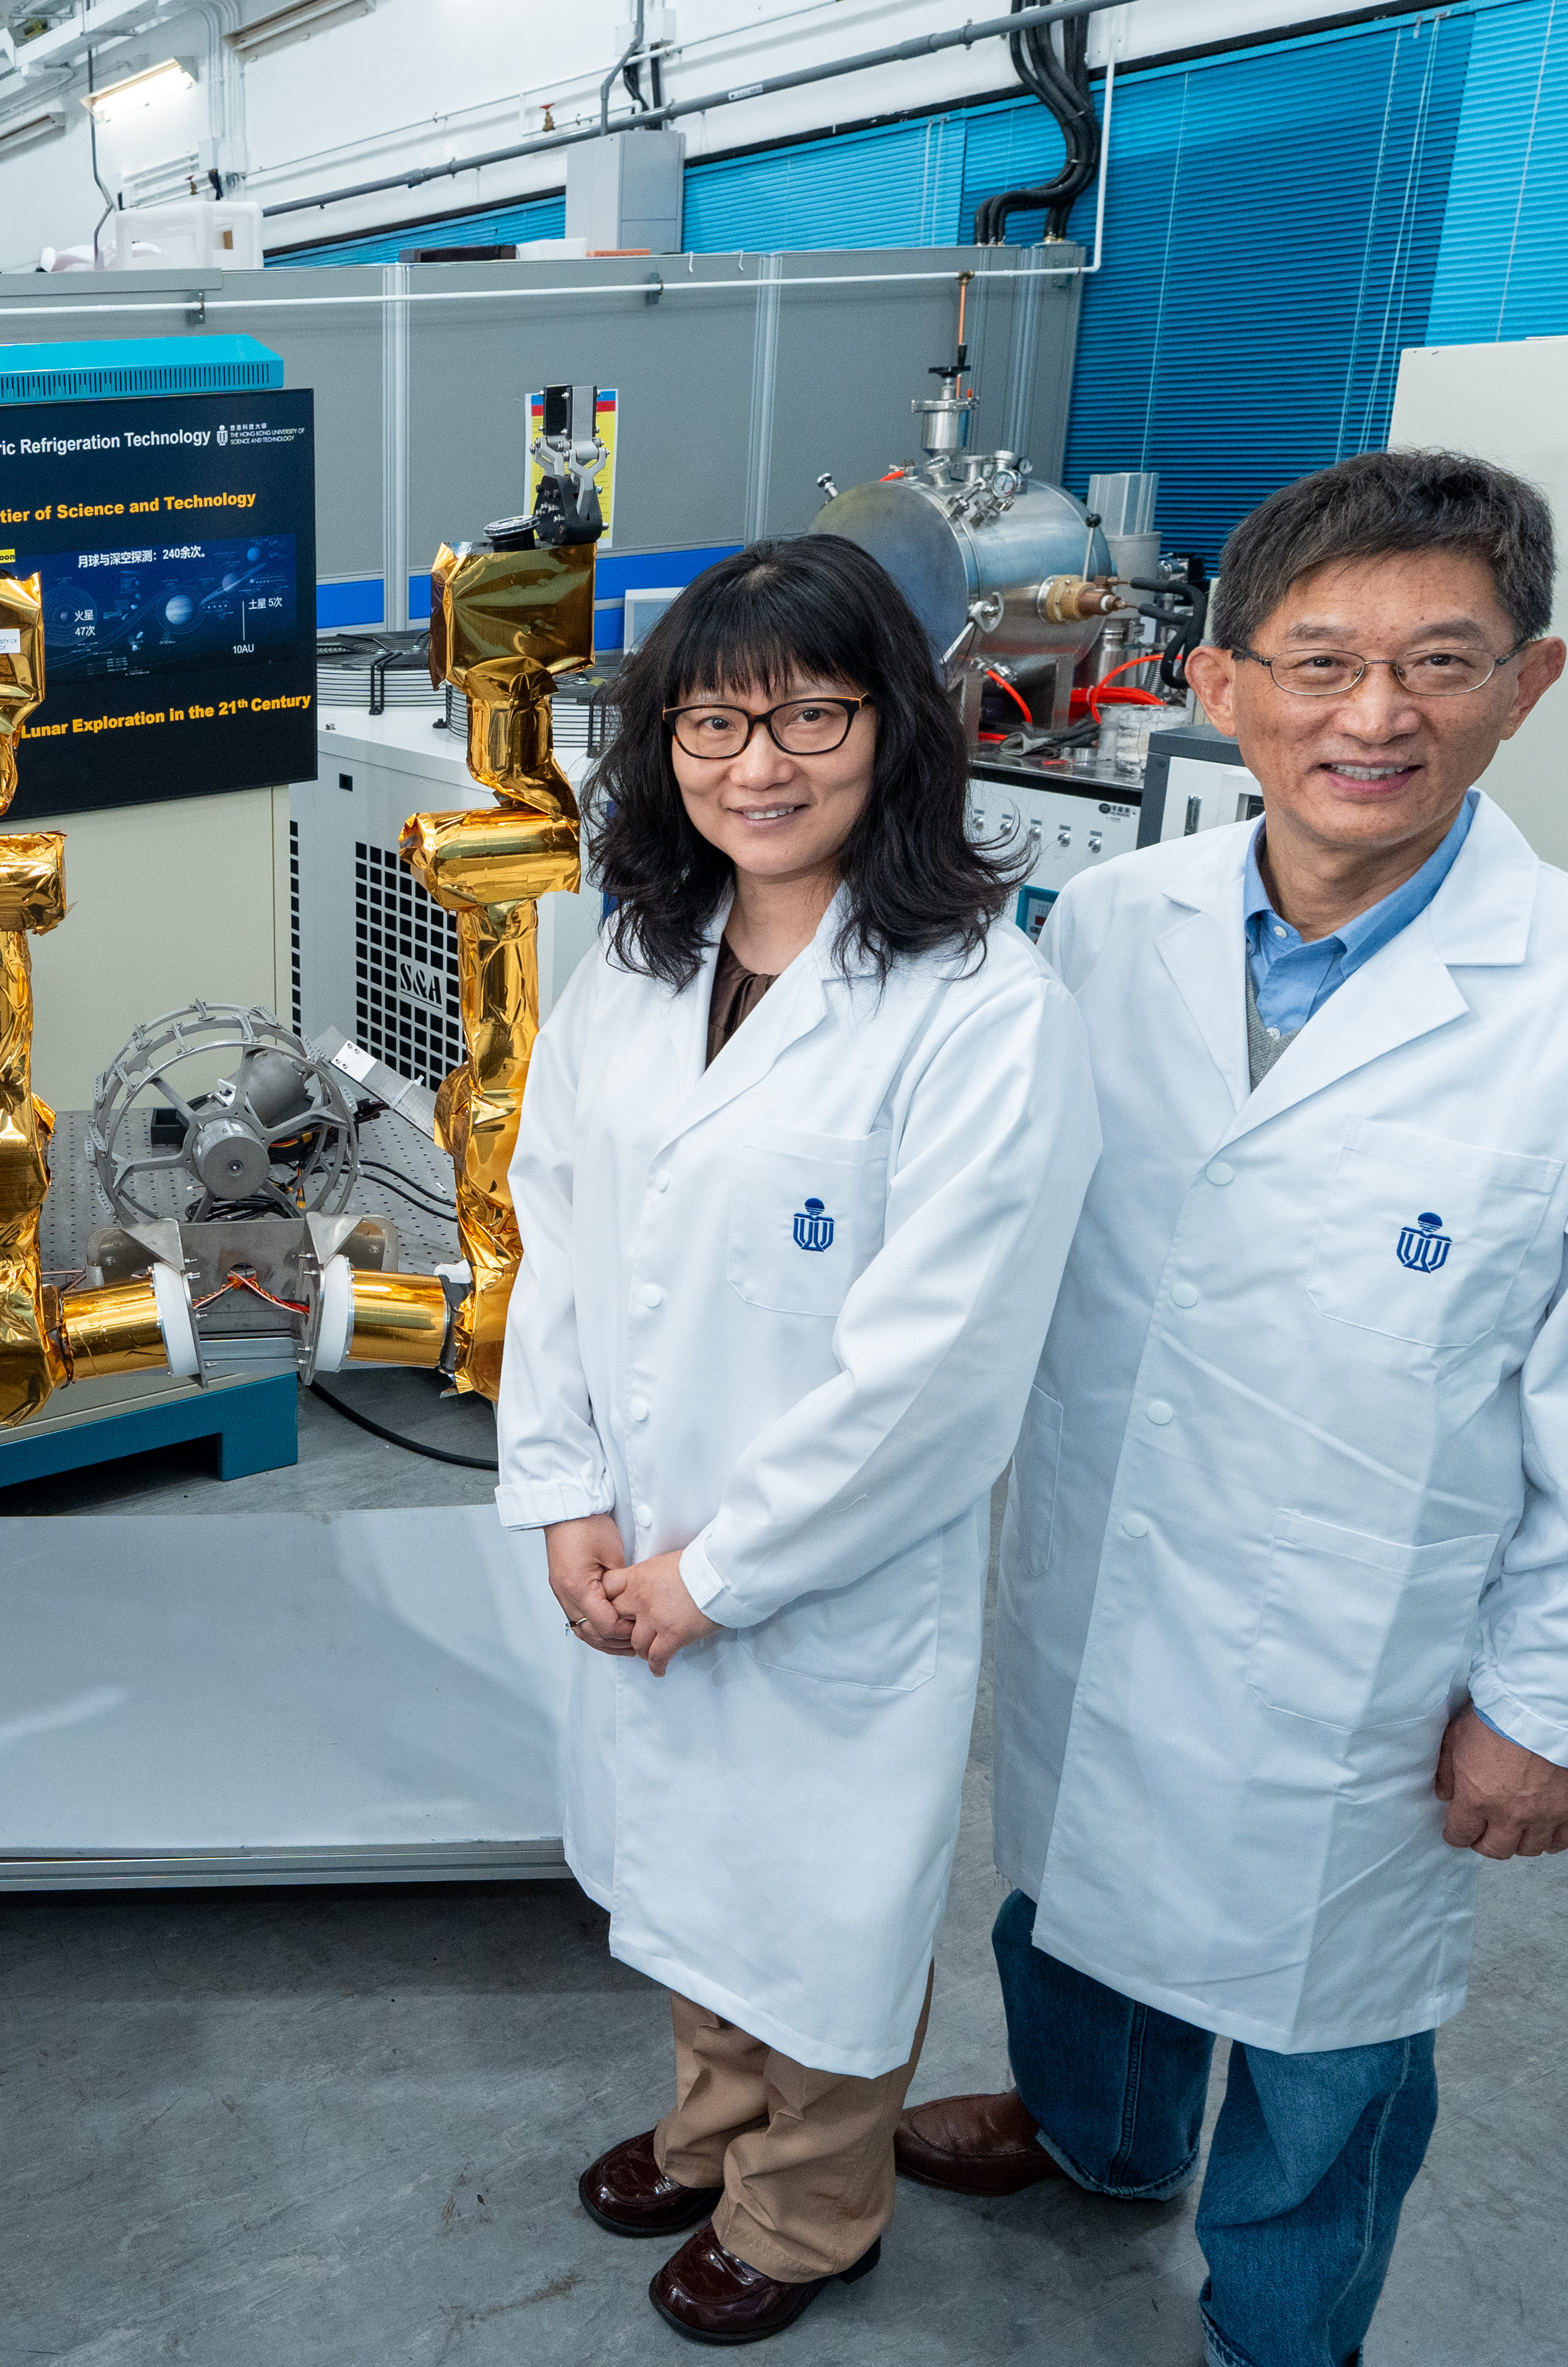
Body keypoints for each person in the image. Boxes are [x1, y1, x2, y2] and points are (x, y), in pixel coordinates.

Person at [896, 450, 1568, 2367]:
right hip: (1105, 1564)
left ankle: (1285, 2336)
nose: (1376, 715)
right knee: (1070, 1892)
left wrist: (1550, 1715)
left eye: (1441, 663)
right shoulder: (1116, 929)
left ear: (1528, 686)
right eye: (1321, 661)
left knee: (1326, 2042)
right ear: (1225, 691)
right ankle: (1101, 2141)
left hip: (1363, 1647)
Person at [501, 534, 1100, 2347]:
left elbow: (940, 1373)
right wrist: (570, 1493)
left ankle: (814, 2203)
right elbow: (556, 1235)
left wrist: (724, 1568)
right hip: (638, 1541)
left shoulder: (983, 1009)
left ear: (897, 731)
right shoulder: (628, 957)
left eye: (810, 717)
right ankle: (711, 2124)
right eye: (711, 722)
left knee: (821, 1904)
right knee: (682, 1869)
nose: (758, 766)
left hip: (825, 1578)